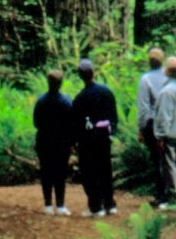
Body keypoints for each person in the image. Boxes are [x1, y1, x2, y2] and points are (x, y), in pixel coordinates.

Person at [71, 57, 120, 217]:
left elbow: (76, 123)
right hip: (104, 139)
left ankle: (95, 206)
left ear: (80, 76)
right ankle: (110, 204)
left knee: (90, 172)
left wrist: (75, 142)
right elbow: (114, 116)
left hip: (87, 141)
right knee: (105, 170)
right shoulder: (106, 92)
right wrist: (112, 132)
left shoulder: (80, 98)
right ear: (93, 72)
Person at [33, 68, 73, 216]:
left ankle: (48, 205)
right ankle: (61, 205)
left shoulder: (41, 101)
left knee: (46, 172)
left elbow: (36, 122)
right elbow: (72, 123)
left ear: (48, 82)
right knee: (60, 173)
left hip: (44, 141)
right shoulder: (67, 101)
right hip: (62, 143)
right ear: (61, 83)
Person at [153, 54, 176, 207]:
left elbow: (164, 115)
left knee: (169, 166)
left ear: (168, 71)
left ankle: (174, 197)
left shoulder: (167, 91)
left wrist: (160, 136)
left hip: (168, 134)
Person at [136, 46, 168, 205]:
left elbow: (143, 107)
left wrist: (141, 128)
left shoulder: (146, 79)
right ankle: (174, 194)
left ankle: (161, 196)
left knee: (157, 160)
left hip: (153, 125)